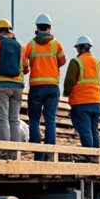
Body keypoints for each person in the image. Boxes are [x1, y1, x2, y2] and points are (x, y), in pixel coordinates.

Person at [23, 14, 66, 161]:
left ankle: (38, 154)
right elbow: (62, 61)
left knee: (34, 120)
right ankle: (49, 154)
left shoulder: (31, 45)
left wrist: (27, 69)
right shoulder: (56, 44)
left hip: (36, 87)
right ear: (49, 27)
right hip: (52, 88)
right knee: (50, 120)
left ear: (37, 28)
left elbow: (23, 62)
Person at [63, 36, 100, 154]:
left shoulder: (76, 62)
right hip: (96, 103)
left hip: (81, 103)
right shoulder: (98, 63)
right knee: (94, 130)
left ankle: (90, 158)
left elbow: (69, 81)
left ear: (79, 47)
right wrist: (96, 91)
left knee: (85, 131)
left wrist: (66, 93)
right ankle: (96, 157)